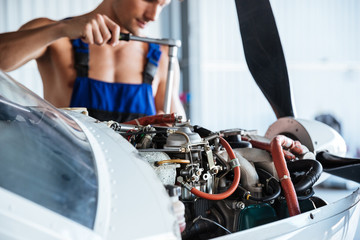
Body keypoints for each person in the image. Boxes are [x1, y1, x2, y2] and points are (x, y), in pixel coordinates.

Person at [0, 0, 186, 123]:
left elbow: (181, 135)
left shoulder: (162, 56)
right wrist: (60, 29)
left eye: (162, 5)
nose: (153, 15)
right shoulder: (57, 37)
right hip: (66, 178)